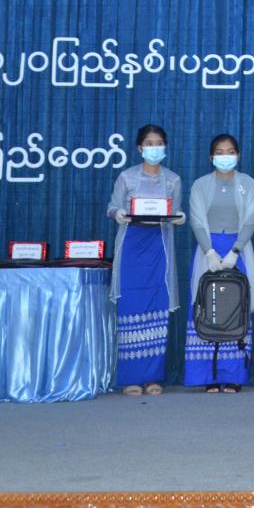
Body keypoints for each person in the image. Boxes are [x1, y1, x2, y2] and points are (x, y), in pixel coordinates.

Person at [106, 123, 186, 397]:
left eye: (159, 143)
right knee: (131, 307)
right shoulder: (126, 177)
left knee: (157, 307)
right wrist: (118, 214)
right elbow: (112, 206)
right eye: (149, 144)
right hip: (131, 246)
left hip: (159, 247)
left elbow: (175, 211)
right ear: (140, 148)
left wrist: (180, 217)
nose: (154, 148)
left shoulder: (173, 180)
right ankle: (131, 377)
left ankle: (153, 377)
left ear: (165, 146)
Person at [185, 133, 254, 394]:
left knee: (236, 307)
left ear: (238, 155)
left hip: (238, 250)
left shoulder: (248, 183)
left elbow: (251, 219)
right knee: (206, 307)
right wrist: (209, 251)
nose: (225, 156)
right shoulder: (200, 185)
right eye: (219, 152)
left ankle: (234, 375)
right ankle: (210, 375)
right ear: (211, 157)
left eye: (230, 152)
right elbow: (196, 220)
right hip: (208, 250)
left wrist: (235, 251)